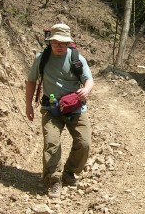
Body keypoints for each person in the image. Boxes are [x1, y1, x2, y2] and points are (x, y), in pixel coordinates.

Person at [25, 23, 94, 198]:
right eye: (56, 43)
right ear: (50, 41)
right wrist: (28, 105)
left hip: (75, 108)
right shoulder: (41, 58)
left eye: (63, 43)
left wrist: (86, 90)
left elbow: (88, 80)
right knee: (51, 143)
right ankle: (54, 180)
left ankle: (69, 171)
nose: (59, 46)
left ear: (69, 43)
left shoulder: (77, 59)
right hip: (51, 108)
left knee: (84, 143)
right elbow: (31, 81)